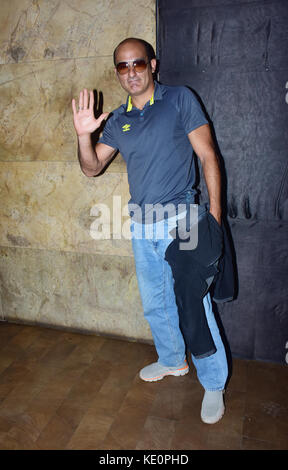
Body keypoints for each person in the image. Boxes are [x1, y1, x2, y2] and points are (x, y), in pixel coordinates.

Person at [72, 37, 228, 424]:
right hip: (142, 225)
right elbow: (92, 168)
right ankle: (174, 360)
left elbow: (208, 155)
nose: (131, 72)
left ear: (153, 64)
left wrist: (215, 218)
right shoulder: (117, 121)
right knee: (156, 304)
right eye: (123, 67)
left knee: (196, 307)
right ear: (117, 73)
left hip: (182, 222)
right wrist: (83, 135)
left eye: (138, 63)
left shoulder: (179, 99)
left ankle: (214, 383)